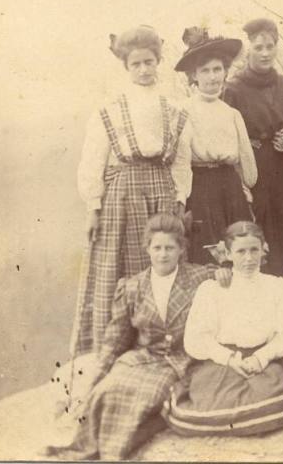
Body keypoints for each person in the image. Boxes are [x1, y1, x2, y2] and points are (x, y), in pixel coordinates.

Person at [46, 214, 214, 460]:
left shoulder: (200, 278)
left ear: (181, 249)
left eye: (170, 247)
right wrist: (95, 380)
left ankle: (114, 453)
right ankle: (84, 450)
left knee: (147, 395)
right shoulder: (132, 286)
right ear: (147, 249)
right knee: (107, 390)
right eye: (157, 247)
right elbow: (115, 340)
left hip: (178, 361)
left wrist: (224, 276)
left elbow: (229, 278)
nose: (163, 254)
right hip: (142, 358)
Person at [72, 25, 192, 356]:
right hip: (123, 193)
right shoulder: (110, 108)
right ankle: (116, 346)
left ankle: (161, 341)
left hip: (162, 189)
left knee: (164, 258)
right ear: (126, 67)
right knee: (120, 266)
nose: (143, 69)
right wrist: (93, 206)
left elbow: (182, 161)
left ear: (158, 61)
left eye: (149, 62)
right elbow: (93, 158)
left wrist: (180, 198)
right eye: (136, 64)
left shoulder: (175, 106)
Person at [163, 221, 283, 436]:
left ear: (264, 249)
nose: (248, 258)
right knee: (206, 404)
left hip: (261, 359)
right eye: (241, 251)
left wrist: (260, 358)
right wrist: (229, 358)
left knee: (276, 399)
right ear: (227, 253)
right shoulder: (211, 289)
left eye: (254, 250)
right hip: (223, 359)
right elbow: (196, 338)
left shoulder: (276, 286)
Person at [223, 18, 283, 276]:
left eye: (270, 46)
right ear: (249, 49)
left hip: (281, 170)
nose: (265, 53)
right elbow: (228, 134)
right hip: (252, 170)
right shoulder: (234, 89)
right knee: (255, 227)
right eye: (258, 47)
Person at [173, 26, 257, 264]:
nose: (212, 77)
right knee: (208, 251)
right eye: (205, 71)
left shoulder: (231, 113)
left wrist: (244, 189)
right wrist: (182, 196)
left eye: (217, 69)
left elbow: (245, 161)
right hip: (201, 186)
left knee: (238, 244)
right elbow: (180, 159)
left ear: (225, 72)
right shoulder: (184, 110)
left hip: (230, 187)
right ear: (194, 76)